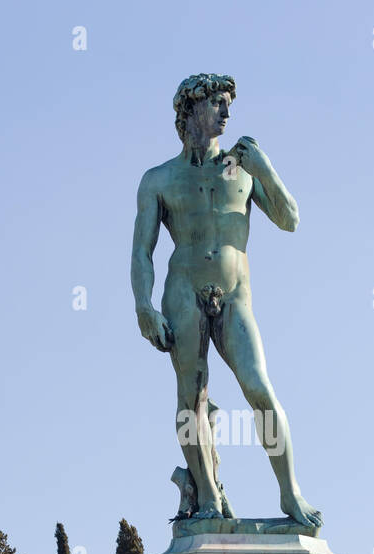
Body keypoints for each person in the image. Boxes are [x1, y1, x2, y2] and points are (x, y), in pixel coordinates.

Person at [130, 73, 321, 527]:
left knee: (258, 387)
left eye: (227, 104)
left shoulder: (239, 167)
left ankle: (290, 494)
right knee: (190, 397)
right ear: (191, 110)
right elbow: (142, 250)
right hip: (183, 291)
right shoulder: (161, 178)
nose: (226, 113)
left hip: (235, 294)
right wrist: (144, 306)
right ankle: (210, 496)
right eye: (217, 103)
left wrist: (265, 167)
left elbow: (291, 219)